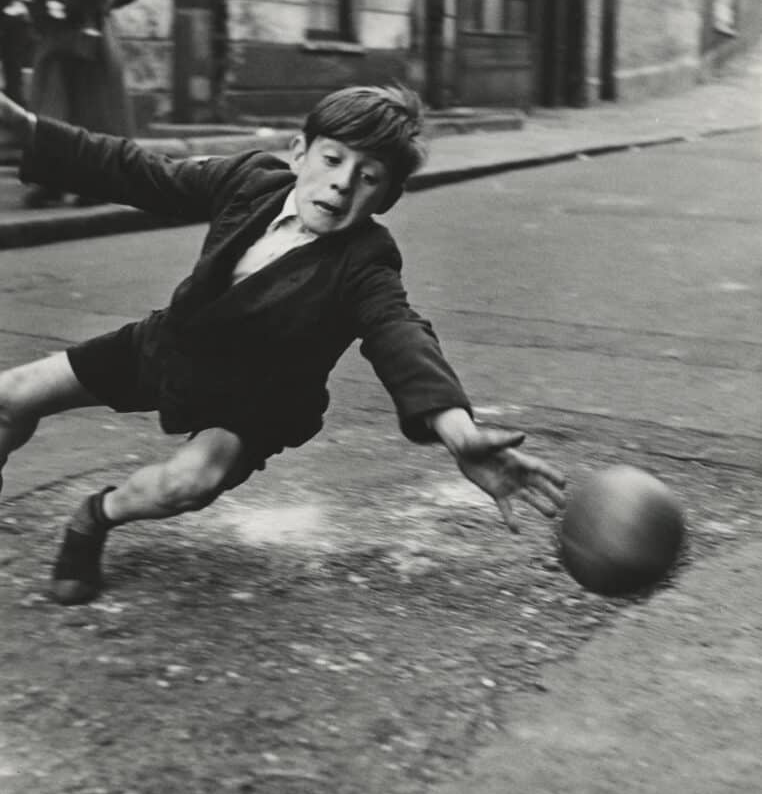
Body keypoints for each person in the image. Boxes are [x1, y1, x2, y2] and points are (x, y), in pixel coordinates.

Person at [0, 84, 566, 607]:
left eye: (368, 176)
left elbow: (399, 334)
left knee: (186, 484)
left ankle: (95, 517)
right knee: (11, 394)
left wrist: (458, 431)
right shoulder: (251, 181)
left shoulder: (366, 261)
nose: (343, 182)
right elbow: (145, 173)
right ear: (299, 153)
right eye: (333, 159)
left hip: (255, 400)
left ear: (388, 196)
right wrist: (29, 129)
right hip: (170, 347)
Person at [26, 0, 135, 206]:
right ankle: (52, 182)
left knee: (94, 112)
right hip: (56, 42)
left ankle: (96, 182)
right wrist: (39, 6)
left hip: (93, 41)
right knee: (53, 112)